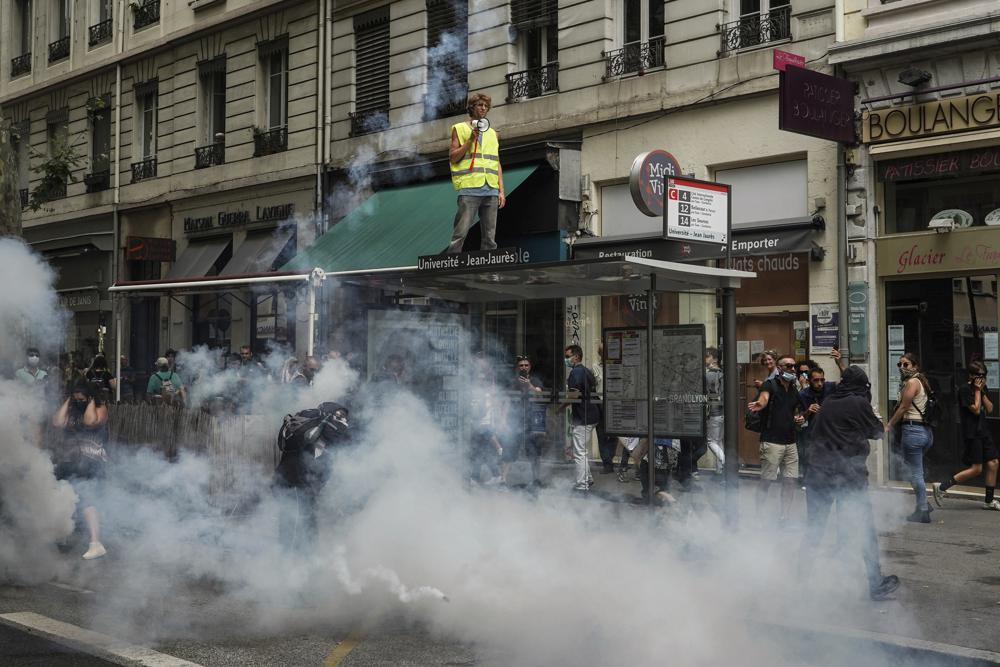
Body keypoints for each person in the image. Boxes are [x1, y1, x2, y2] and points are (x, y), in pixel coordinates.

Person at [797, 366, 900, 601]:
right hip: (846, 476)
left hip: (818, 475)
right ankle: (875, 583)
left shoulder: (830, 400)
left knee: (814, 529)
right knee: (863, 528)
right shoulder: (857, 402)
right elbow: (877, 432)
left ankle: (800, 579)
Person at [273, 402, 351, 549]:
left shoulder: (304, 426)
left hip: (283, 478)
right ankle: (306, 556)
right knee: (304, 517)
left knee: (288, 517)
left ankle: (286, 555)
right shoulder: (323, 429)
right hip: (298, 481)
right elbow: (334, 455)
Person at [52, 381, 110, 560]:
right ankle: (63, 534)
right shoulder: (71, 408)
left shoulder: (100, 408)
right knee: (64, 495)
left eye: (81, 397)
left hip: (91, 461)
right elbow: (57, 422)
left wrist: (91, 401)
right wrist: (69, 401)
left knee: (86, 499)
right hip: (70, 460)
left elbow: (90, 421)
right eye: (75, 396)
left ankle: (96, 543)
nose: (79, 400)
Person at [933, 361, 998, 511]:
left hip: (984, 431)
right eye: (979, 375)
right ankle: (942, 486)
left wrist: (981, 391)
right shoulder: (964, 390)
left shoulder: (982, 388)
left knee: (993, 463)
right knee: (977, 469)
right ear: (971, 375)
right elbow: (975, 409)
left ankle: (989, 501)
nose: (981, 378)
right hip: (972, 433)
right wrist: (976, 391)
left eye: (984, 375)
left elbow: (989, 408)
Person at [446, 92, 505, 253]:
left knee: (490, 236)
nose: (483, 108)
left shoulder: (493, 134)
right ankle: (450, 263)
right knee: (460, 233)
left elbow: (496, 162)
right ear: (472, 107)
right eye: (480, 105)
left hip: (490, 188)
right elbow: (453, 157)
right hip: (470, 187)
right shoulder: (459, 128)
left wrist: (501, 191)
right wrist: (470, 141)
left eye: (486, 106)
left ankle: (488, 268)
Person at [748, 354, 802, 525]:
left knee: (790, 481)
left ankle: (784, 516)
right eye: (788, 366)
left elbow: (796, 411)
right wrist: (760, 404)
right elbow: (764, 398)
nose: (792, 369)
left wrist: (800, 417)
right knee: (767, 481)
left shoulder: (794, 388)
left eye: (794, 366)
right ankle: (758, 514)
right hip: (772, 441)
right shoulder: (769, 384)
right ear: (779, 368)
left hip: (790, 441)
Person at [885, 352, 934, 523]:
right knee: (916, 471)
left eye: (906, 364)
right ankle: (923, 505)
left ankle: (922, 509)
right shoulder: (919, 381)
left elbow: (904, 407)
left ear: (915, 366)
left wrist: (889, 424)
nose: (902, 368)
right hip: (924, 432)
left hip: (913, 431)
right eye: (899, 365)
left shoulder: (913, 382)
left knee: (915, 474)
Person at [563, 345, 601, 492]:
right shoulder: (586, 371)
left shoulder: (576, 373)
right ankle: (588, 479)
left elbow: (574, 395)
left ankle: (582, 485)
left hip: (583, 416)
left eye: (568, 356)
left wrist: (560, 409)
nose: (566, 359)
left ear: (576, 357)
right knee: (581, 450)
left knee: (579, 452)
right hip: (592, 415)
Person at [505, 355, 545, 484]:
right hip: (516, 419)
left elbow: (539, 394)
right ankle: (502, 479)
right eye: (521, 365)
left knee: (534, 451)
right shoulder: (513, 382)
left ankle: (536, 479)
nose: (524, 367)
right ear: (518, 367)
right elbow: (506, 400)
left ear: (530, 367)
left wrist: (529, 385)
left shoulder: (535, 380)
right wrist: (504, 419)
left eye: (526, 365)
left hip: (532, 421)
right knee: (510, 449)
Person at [797, 366, 837, 481]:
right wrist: (808, 411)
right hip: (812, 435)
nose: (820, 383)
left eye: (822, 380)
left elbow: (848, 382)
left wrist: (838, 362)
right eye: (816, 380)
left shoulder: (830, 387)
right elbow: (800, 419)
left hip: (831, 433)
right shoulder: (803, 395)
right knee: (811, 462)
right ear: (809, 381)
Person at [704, 348, 725, 474]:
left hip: (714, 412)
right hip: (723, 411)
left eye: (708, 356)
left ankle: (725, 463)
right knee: (719, 440)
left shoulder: (709, 374)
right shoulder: (722, 373)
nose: (705, 358)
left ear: (715, 359)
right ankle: (720, 469)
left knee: (711, 441)